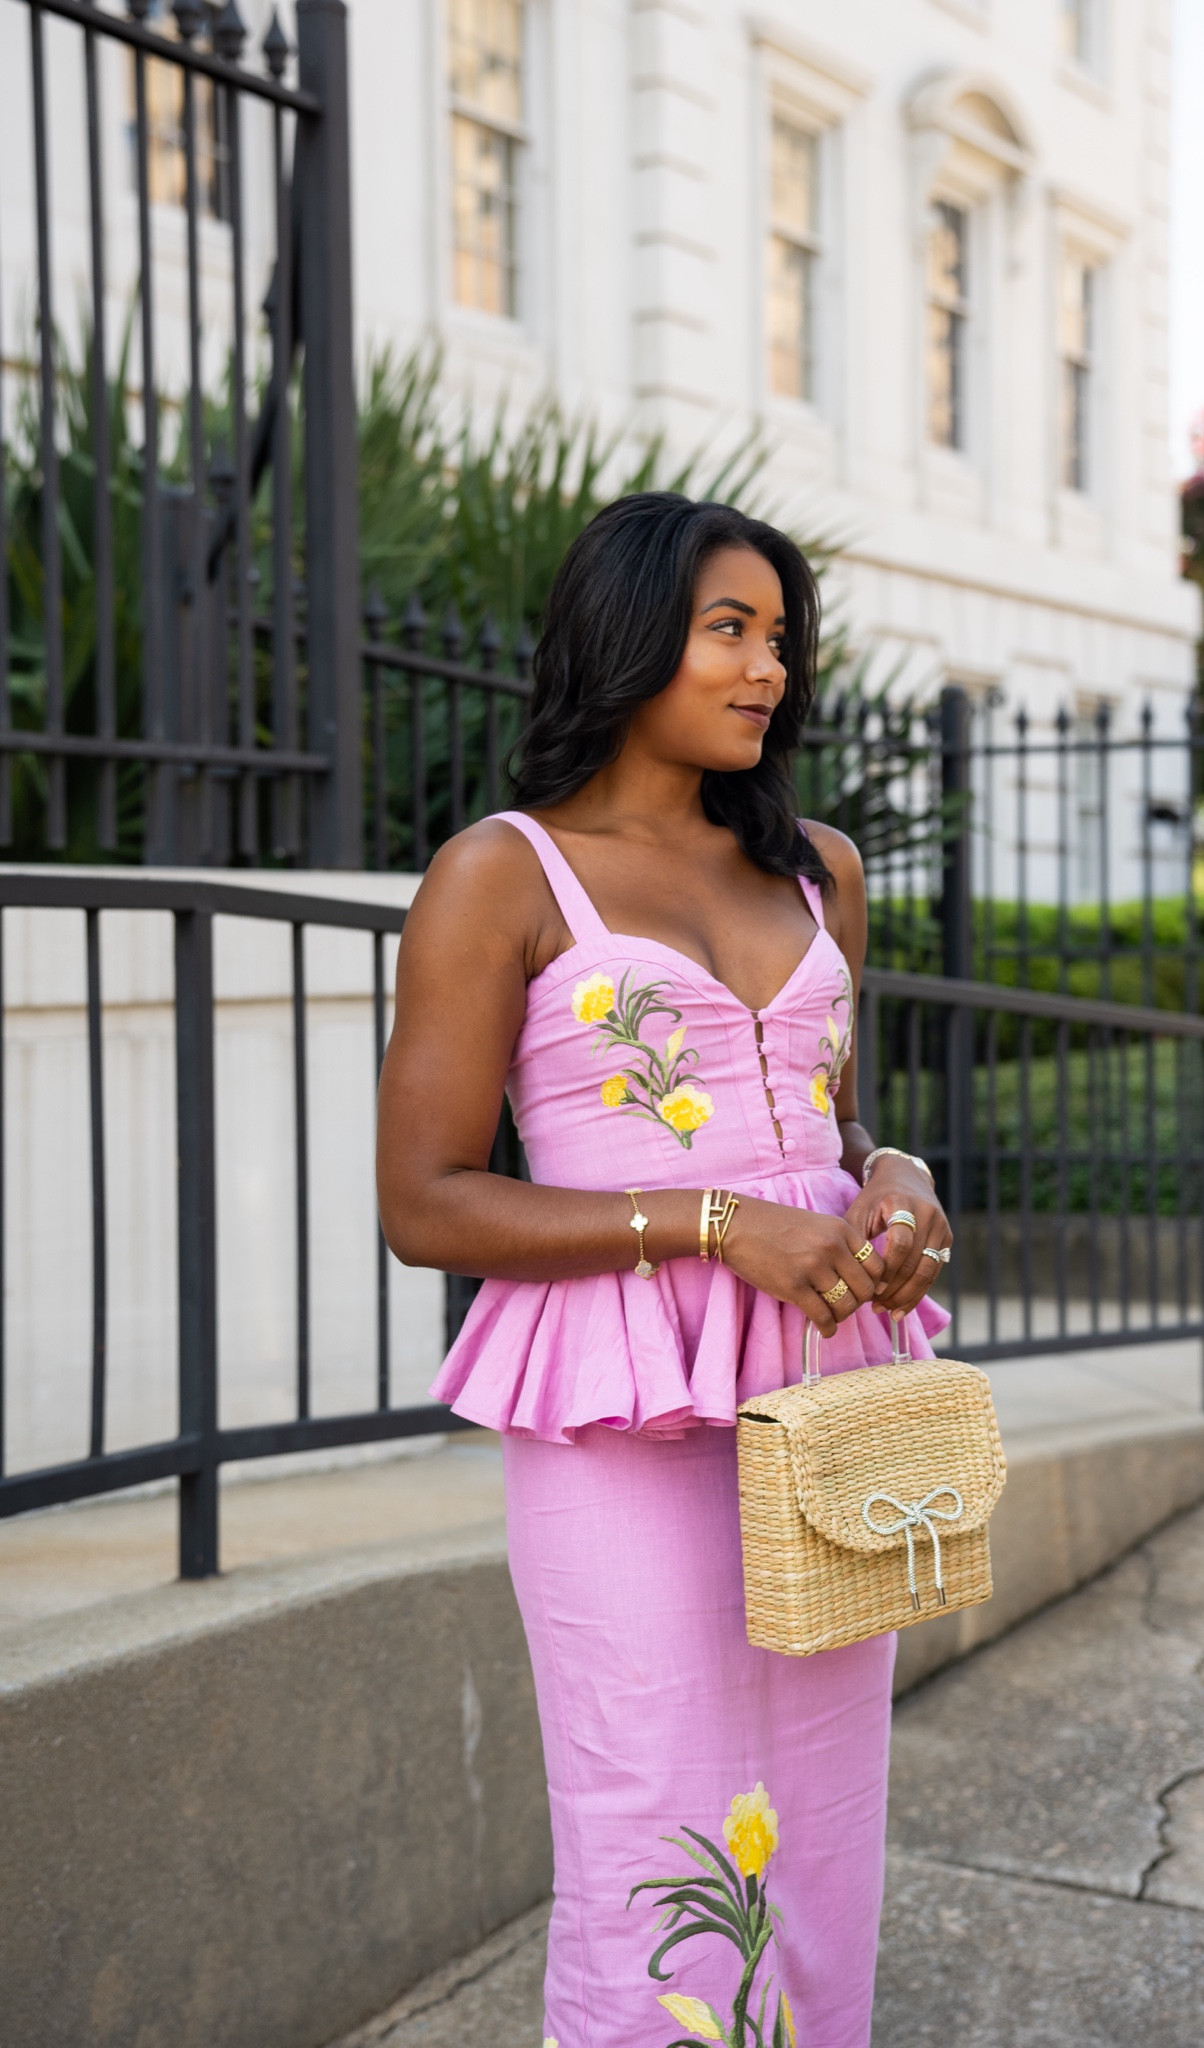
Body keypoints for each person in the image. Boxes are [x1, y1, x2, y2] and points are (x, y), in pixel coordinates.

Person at [377, 492, 953, 2048]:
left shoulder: (816, 865)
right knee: (654, 1832)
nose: (768, 669)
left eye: (780, 638)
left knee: (822, 1826)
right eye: (728, 631)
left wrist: (893, 1184)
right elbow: (424, 1201)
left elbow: (835, 1122)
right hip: (614, 1415)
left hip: (824, 1400)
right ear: (629, 638)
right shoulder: (504, 875)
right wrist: (711, 1226)